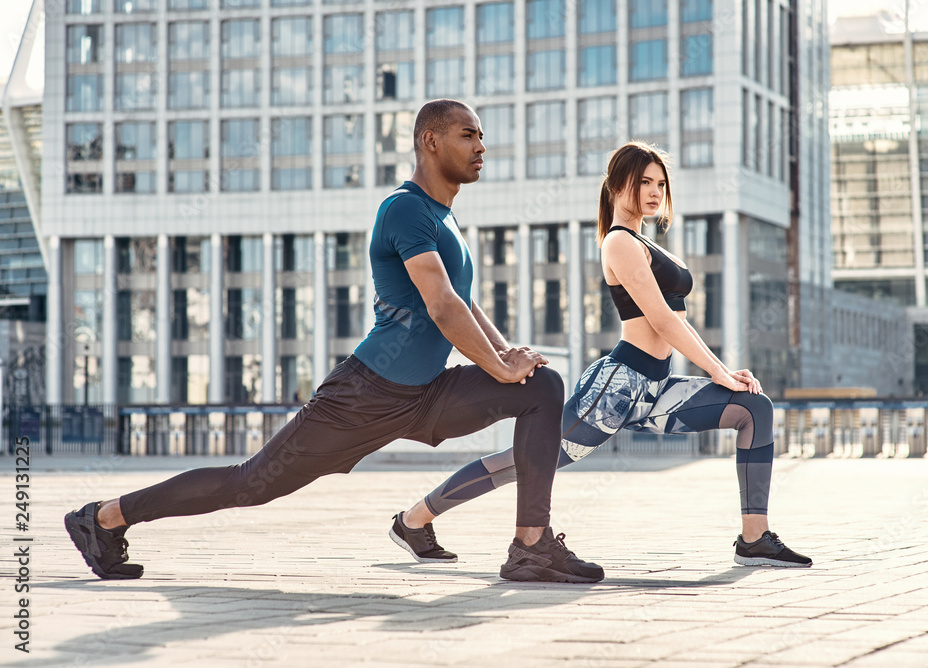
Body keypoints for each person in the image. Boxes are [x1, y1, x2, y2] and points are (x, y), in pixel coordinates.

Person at [65, 99, 604, 584]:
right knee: (248, 484)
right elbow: (440, 304)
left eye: (482, 135)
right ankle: (104, 517)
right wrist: (498, 365)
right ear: (430, 141)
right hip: (364, 396)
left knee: (540, 387)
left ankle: (531, 547)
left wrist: (506, 356)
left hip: (427, 397)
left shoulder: (445, 217)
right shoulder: (405, 208)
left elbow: (463, 303)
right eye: (468, 134)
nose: (482, 145)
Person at [390, 141, 811, 569]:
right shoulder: (619, 243)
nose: (654, 191)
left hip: (659, 386)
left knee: (753, 408)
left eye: (660, 184)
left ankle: (754, 538)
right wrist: (718, 372)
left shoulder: (648, 243)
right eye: (643, 181)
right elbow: (663, 321)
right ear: (615, 186)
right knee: (526, 461)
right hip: (618, 387)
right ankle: (414, 519)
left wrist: (723, 373)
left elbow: (677, 324)